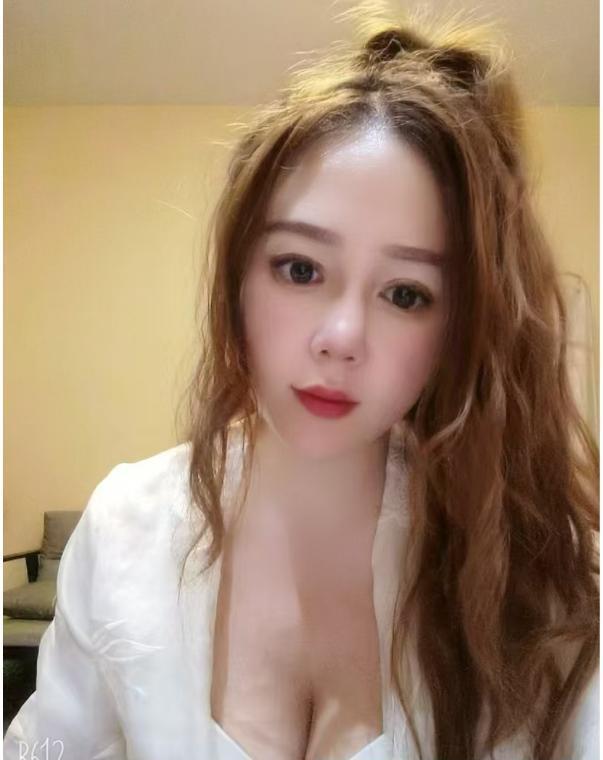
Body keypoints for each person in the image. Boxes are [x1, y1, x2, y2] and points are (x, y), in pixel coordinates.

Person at [4, 4, 599, 760]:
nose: (341, 338)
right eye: (300, 269)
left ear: (459, 327)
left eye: (406, 293)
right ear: (237, 282)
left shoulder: (541, 567)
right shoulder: (127, 525)